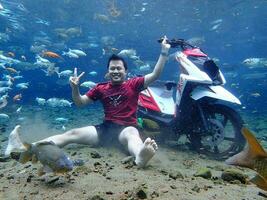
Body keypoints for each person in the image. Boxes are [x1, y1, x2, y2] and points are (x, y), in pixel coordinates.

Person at [5, 36, 171, 168]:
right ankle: (24, 149)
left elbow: (155, 74)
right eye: (112, 68)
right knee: (71, 134)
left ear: (126, 71)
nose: (115, 71)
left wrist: (164, 52)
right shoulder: (101, 88)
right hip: (105, 130)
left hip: (125, 129)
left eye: (119, 68)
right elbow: (80, 103)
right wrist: (75, 88)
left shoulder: (133, 84)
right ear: (108, 71)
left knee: (132, 134)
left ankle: (139, 157)